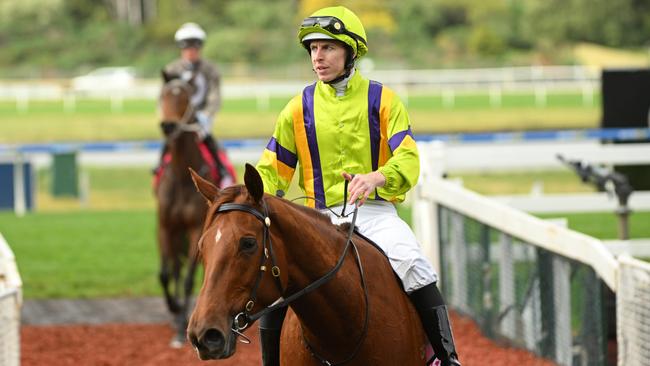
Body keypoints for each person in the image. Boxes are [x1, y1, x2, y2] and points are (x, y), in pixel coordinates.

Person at [255, 6, 461, 366]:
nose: (318, 57)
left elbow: (409, 159)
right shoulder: (296, 108)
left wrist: (377, 177)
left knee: (414, 264)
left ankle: (446, 357)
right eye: (313, 49)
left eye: (328, 48)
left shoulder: (384, 100)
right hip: (317, 217)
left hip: (375, 214)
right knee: (276, 289)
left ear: (351, 52)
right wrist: (254, 194)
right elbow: (273, 169)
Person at [156, 22, 226, 180]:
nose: (191, 51)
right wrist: (168, 117)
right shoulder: (171, 70)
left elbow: (215, 96)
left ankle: (221, 169)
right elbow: (162, 98)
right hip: (177, 119)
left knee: (209, 139)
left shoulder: (210, 69)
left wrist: (207, 115)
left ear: (200, 48)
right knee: (169, 140)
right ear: (181, 48)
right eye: (187, 48)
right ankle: (159, 166)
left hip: (201, 119)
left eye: (195, 48)